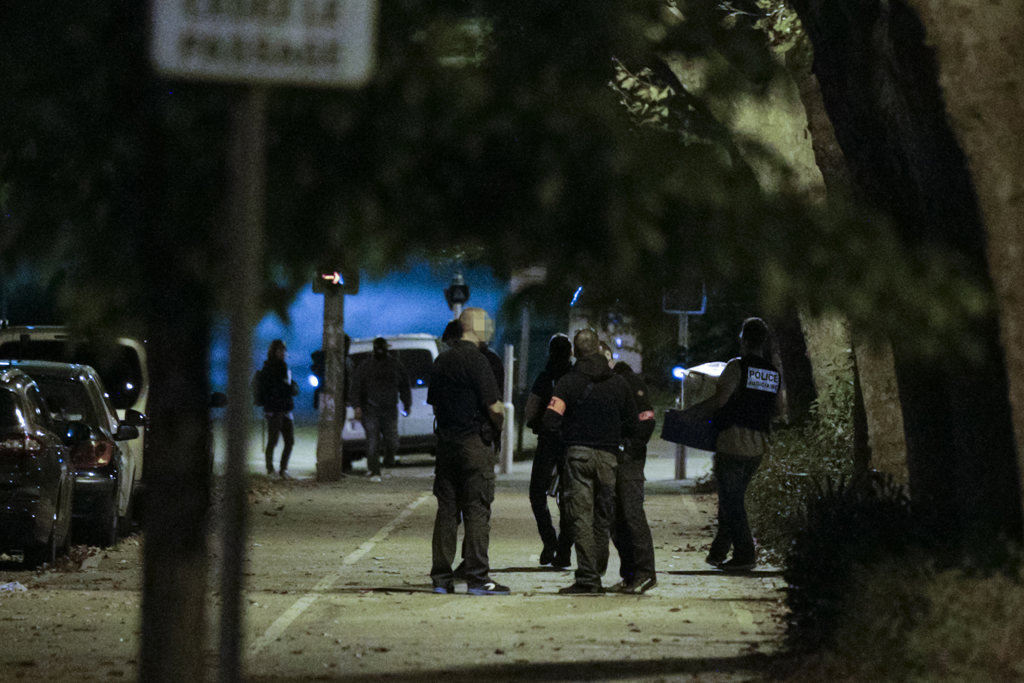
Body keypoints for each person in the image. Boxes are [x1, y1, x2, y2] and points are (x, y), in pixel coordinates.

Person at [543, 328, 639, 594]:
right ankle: (596, 571)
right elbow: (633, 422)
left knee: (580, 518)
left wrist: (566, 435)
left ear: (574, 352)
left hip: (578, 456)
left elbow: (551, 420)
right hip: (609, 458)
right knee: (602, 517)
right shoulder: (619, 383)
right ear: (599, 348)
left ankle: (588, 578)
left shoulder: (568, 382)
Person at [428, 307, 510, 595]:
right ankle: (478, 578)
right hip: (474, 444)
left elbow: (436, 406)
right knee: (477, 510)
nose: (490, 328)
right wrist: (498, 428)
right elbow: (495, 408)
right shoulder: (478, 361)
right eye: (486, 323)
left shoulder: (441, 361)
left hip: (447, 445)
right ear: (472, 326)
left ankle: (441, 579)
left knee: (447, 512)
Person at [695, 317, 781, 571]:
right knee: (733, 499)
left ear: (742, 338)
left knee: (732, 502)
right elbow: (778, 409)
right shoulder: (772, 372)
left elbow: (720, 401)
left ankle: (745, 555)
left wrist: (693, 412)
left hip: (732, 443)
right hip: (757, 447)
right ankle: (718, 552)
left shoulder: (736, 366)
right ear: (763, 341)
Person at [524, 333, 574, 569]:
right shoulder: (576, 377)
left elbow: (531, 409)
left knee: (537, 494)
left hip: (548, 442)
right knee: (569, 498)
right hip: (572, 444)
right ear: (571, 353)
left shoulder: (545, 378)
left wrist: (536, 422)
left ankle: (549, 541)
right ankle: (564, 551)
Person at [608, 360, 658, 593]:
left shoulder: (628, 381)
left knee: (631, 514)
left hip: (629, 461)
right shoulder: (613, 381)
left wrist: (628, 449)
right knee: (617, 518)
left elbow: (647, 420)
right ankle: (630, 575)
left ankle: (645, 572)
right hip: (620, 458)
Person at [350, 337, 413, 481]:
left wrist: (407, 404)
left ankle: (388, 460)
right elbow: (356, 387)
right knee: (373, 442)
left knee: (392, 442)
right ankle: (374, 471)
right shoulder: (366, 366)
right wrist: (357, 406)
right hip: (371, 409)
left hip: (389, 410)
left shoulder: (395, 365)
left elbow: (404, 386)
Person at [260, 339, 299, 478]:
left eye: (284, 350)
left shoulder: (284, 367)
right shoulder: (269, 368)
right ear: (274, 352)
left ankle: (283, 469)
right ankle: (270, 469)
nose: (283, 353)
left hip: (286, 409)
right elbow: (274, 388)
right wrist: (288, 388)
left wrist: (293, 387)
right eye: (280, 350)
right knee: (273, 440)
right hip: (274, 409)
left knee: (290, 441)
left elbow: (287, 385)